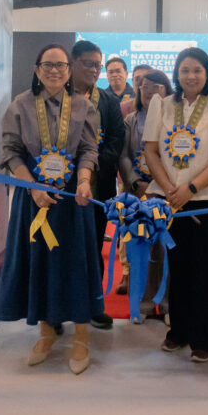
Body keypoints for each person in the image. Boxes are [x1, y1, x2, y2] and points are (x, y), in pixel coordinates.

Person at [0, 43, 101, 375]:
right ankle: (45, 333)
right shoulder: (20, 105)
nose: (55, 71)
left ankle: (81, 336)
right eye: (48, 65)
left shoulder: (84, 106)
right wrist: (32, 187)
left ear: (69, 70)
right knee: (38, 261)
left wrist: (84, 180)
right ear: (37, 70)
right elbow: (10, 152)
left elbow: (89, 150)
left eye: (61, 65)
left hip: (73, 198)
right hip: (34, 198)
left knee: (76, 263)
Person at [143, 47, 208, 362]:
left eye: (197, 70)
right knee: (178, 268)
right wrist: (169, 189)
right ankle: (179, 331)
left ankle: (204, 338)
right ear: (177, 73)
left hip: (206, 201)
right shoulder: (162, 105)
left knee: (204, 272)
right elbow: (151, 150)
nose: (191, 76)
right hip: (170, 200)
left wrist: (192, 187)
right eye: (184, 70)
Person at [70, 40, 124, 330]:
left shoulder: (108, 101)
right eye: (88, 64)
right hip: (62, 186)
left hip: (98, 187)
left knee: (92, 247)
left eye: (97, 65)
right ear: (72, 64)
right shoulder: (56, 98)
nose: (94, 70)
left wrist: (91, 166)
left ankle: (94, 305)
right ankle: (56, 310)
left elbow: (116, 140)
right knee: (61, 248)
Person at [116, 68, 173, 314]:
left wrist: (163, 185)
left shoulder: (175, 119)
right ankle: (144, 303)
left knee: (166, 249)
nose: (150, 91)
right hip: (138, 192)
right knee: (140, 248)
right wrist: (135, 183)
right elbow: (124, 155)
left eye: (156, 87)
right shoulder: (131, 119)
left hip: (167, 192)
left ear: (167, 89)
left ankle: (168, 303)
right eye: (145, 86)